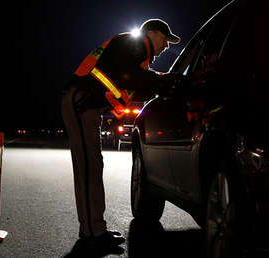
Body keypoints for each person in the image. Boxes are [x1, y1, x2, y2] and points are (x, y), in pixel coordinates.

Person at [61, 18, 180, 251]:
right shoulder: (133, 44)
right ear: (152, 33)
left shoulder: (135, 53)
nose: (166, 46)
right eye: (165, 39)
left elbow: (134, 83)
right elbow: (131, 76)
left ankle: (96, 229)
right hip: (81, 103)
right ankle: (91, 234)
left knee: (94, 166)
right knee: (88, 169)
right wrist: (164, 80)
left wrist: (162, 83)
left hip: (87, 106)